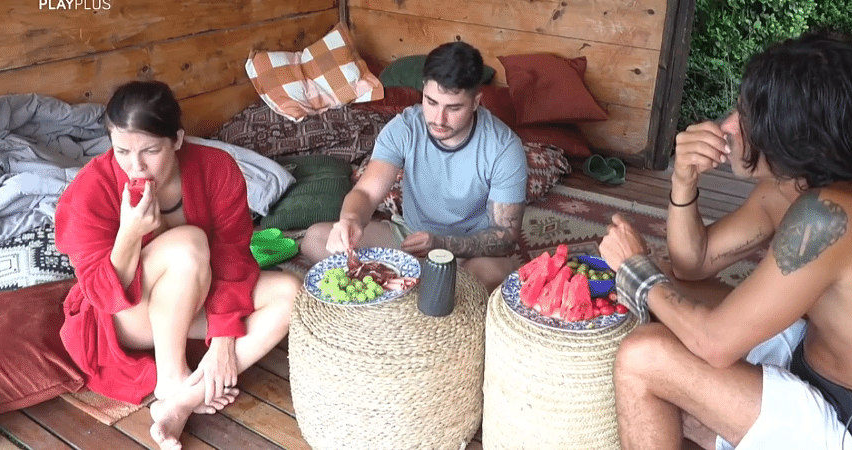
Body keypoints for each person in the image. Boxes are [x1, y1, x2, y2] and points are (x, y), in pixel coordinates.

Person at [598, 34, 852, 450]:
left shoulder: (833, 213)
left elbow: (714, 345)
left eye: (749, 115)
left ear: (796, 135)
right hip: (810, 363)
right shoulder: (796, 188)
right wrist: (683, 179)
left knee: (644, 356)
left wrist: (635, 271)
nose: (728, 125)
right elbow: (693, 264)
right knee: (672, 284)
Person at [54, 81, 302, 450]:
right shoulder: (93, 188)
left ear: (178, 140)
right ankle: (170, 377)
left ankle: (182, 401)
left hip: (194, 299)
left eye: (151, 150)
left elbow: (234, 258)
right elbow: (102, 297)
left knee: (291, 292)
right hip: (123, 319)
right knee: (187, 244)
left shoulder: (215, 168)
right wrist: (129, 236)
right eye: (121, 150)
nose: (135, 166)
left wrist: (222, 339)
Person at [301, 41, 528, 292]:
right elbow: (366, 193)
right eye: (431, 102)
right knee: (315, 240)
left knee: (489, 277)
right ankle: (409, 285)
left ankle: (401, 286)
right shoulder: (405, 127)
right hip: (407, 237)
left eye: (453, 108)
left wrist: (442, 243)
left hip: (467, 249)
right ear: (423, 91)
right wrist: (350, 220)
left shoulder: (504, 147)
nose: (438, 119)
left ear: (476, 102)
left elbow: (505, 238)